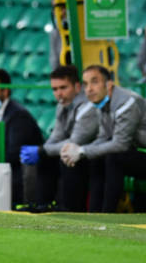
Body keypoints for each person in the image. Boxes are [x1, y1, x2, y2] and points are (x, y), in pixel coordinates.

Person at [61, 65, 146, 213]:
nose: (89, 89)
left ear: (109, 84)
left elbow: (120, 144)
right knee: (97, 158)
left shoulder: (127, 103)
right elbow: (103, 137)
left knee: (114, 158)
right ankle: (93, 214)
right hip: (141, 152)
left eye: (95, 82)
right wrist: (76, 150)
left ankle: (108, 214)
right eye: (86, 84)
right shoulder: (102, 103)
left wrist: (82, 151)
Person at [19, 65, 99, 212]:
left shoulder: (89, 107)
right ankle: (43, 205)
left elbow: (75, 141)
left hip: (95, 157)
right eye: (55, 89)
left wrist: (42, 150)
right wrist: (42, 151)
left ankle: (71, 208)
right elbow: (56, 136)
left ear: (77, 87)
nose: (59, 94)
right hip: (78, 154)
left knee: (67, 156)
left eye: (63, 88)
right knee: (46, 156)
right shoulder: (62, 105)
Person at [0, 68, 43, 207]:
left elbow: (15, 153)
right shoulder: (1, 113)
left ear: (5, 91)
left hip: (20, 182)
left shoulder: (18, 115)